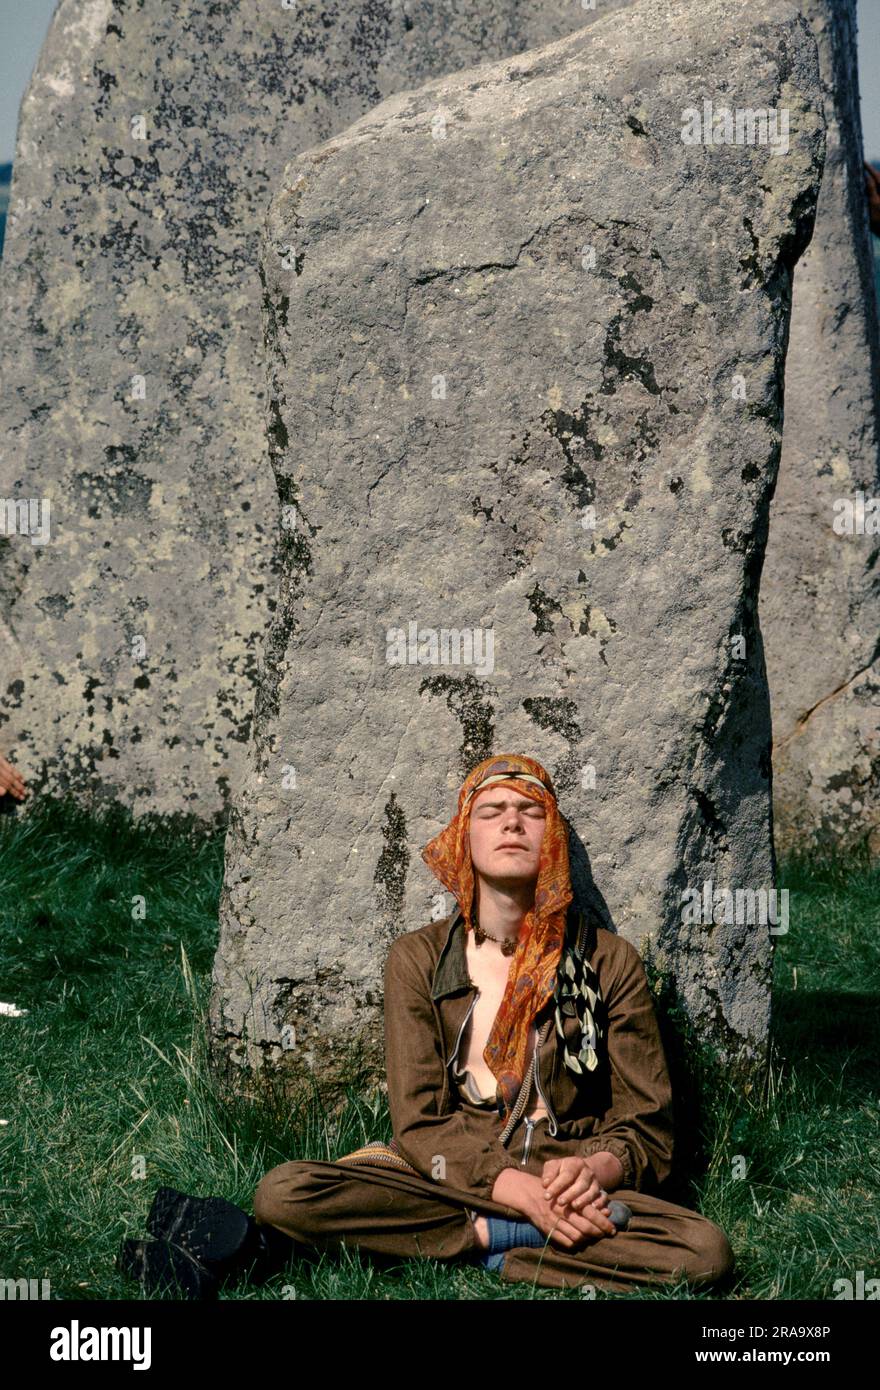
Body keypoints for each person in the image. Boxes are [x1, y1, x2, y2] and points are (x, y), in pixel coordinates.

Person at [121, 753, 733, 1297]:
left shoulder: (608, 960)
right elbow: (418, 1123)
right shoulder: (415, 959)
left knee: (703, 1252)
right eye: (491, 811)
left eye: (530, 810)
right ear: (463, 837)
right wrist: (512, 1191)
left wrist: (591, 1173)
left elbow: (649, 1130)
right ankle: (506, 1236)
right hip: (452, 1177)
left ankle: (463, 1244)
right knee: (285, 1192)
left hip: (573, 1184)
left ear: (554, 838)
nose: (512, 823)